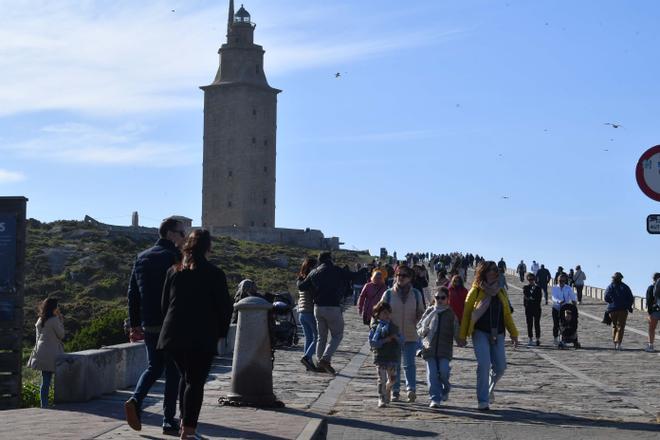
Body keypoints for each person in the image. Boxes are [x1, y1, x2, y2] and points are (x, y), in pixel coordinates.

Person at [157, 229, 232, 440]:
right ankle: (189, 432)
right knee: (195, 382)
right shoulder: (215, 273)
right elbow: (224, 308)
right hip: (200, 336)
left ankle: (183, 425)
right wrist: (221, 333)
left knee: (186, 378)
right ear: (208, 247)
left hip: (172, 336)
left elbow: (164, 305)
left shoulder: (173, 271)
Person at [125, 217, 185, 435]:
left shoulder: (141, 258)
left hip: (149, 323)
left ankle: (136, 399)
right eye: (181, 233)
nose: (183, 237)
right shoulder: (174, 257)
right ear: (170, 233)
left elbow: (132, 294)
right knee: (173, 372)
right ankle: (168, 421)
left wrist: (134, 324)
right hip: (171, 323)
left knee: (154, 367)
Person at [457, 261, 518, 410]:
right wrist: (462, 335)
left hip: (498, 332)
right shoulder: (476, 291)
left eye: (495, 270)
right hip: (480, 332)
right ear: (483, 272)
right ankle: (482, 400)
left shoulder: (501, 292)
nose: (493, 272)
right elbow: (466, 315)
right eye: (490, 270)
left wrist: (514, 334)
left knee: (501, 366)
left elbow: (507, 315)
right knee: (484, 364)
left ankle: (490, 387)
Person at [297, 251, 355, 375]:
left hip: (316, 309)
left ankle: (318, 362)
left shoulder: (314, 273)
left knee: (320, 337)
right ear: (330, 259)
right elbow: (352, 276)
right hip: (331, 307)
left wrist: (302, 279)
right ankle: (325, 359)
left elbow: (301, 287)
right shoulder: (336, 270)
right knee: (337, 335)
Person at [380, 265, 425, 403]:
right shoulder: (388, 294)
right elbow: (379, 312)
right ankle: (395, 391)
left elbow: (422, 313)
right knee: (395, 365)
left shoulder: (416, 294)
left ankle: (411, 389)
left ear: (410, 278)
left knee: (409, 364)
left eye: (404, 275)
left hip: (411, 334)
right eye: (398, 275)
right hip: (393, 335)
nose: (400, 278)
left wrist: (419, 316)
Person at [417, 287, 458, 408]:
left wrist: (461, 339)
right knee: (432, 374)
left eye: (442, 297)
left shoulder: (450, 314)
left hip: (445, 349)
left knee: (444, 372)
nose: (439, 300)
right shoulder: (429, 311)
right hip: (429, 348)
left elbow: (456, 329)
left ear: (447, 299)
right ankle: (435, 398)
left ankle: (446, 388)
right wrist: (423, 330)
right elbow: (419, 326)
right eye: (437, 297)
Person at [27, 297, 65, 408]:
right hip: (53, 353)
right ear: (54, 307)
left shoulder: (40, 320)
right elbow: (61, 335)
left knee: (45, 381)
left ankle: (44, 405)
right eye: (57, 306)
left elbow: (37, 338)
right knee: (56, 379)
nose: (58, 308)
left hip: (41, 351)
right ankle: (55, 404)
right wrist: (61, 321)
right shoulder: (54, 320)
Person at [369, 301, 402, 408]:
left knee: (393, 379)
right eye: (384, 313)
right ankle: (381, 398)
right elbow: (373, 343)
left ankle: (388, 389)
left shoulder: (394, 327)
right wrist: (385, 340)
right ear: (378, 314)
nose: (386, 315)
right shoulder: (375, 327)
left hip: (392, 356)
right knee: (381, 379)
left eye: (388, 312)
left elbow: (402, 340)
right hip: (380, 357)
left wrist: (396, 338)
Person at [297, 257, 319, 371]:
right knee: (318, 337)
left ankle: (308, 363)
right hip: (310, 311)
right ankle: (307, 357)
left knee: (309, 338)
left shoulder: (300, 279)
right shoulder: (311, 280)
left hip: (301, 312)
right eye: (316, 265)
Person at [604, 272, 634, 350]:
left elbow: (606, 298)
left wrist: (612, 302)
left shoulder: (610, 287)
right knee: (620, 327)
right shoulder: (625, 287)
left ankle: (615, 342)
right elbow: (631, 298)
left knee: (615, 326)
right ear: (621, 278)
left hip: (612, 309)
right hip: (622, 309)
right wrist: (627, 305)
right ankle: (618, 343)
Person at [551, 273, 577, 346]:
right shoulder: (555, 288)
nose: (561, 282)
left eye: (562, 281)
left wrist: (574, 301)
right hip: (556, 307)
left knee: (564, 324)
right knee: (556, 324)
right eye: (559, 280)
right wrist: (559, 301)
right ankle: (555, 338)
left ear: (565, 281)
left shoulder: (568, 288)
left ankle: (563, 339)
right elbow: (553, 297)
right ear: (557, 280)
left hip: (565, 309)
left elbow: (572, 296)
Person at [523, 273, 542, 346]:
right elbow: (526, 296)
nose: (531, 281)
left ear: (535, 279)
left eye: (532, 279)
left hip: (537, 308)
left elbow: (539, 298)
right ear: (527, 280)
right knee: (529, 324)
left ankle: (537, 338)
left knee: (537, 324)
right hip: (528, 308)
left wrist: (530, 298)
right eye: (529, 279)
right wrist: (531, 299)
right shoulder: (525, 287)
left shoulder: (538, 288)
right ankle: (530, 338)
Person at [644, 273, 660, 352]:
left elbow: (649, 300)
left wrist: (649, 312)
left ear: (653, 279)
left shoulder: (651, 288)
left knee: (651, 329)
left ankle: (651, 346)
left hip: (655, 311)